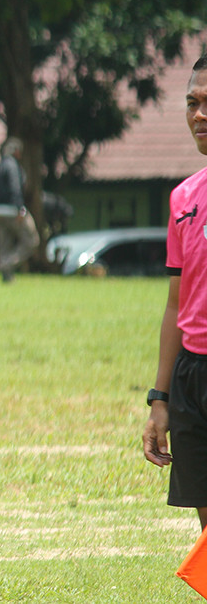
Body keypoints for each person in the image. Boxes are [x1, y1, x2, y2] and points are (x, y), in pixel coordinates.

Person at [143, 54, 207, 534]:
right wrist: (160, 398)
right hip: (192, 376)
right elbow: (175, 305)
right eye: (192, 103)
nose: (199, 115)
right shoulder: (184, 199)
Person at [0, 136, 39, 282]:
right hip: (12, 210)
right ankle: (7, 264)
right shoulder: (12, 166)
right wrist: (20, 209)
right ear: (16, 151)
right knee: (32, 240)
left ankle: (7, 277)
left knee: (5, 243)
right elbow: (15, 187)